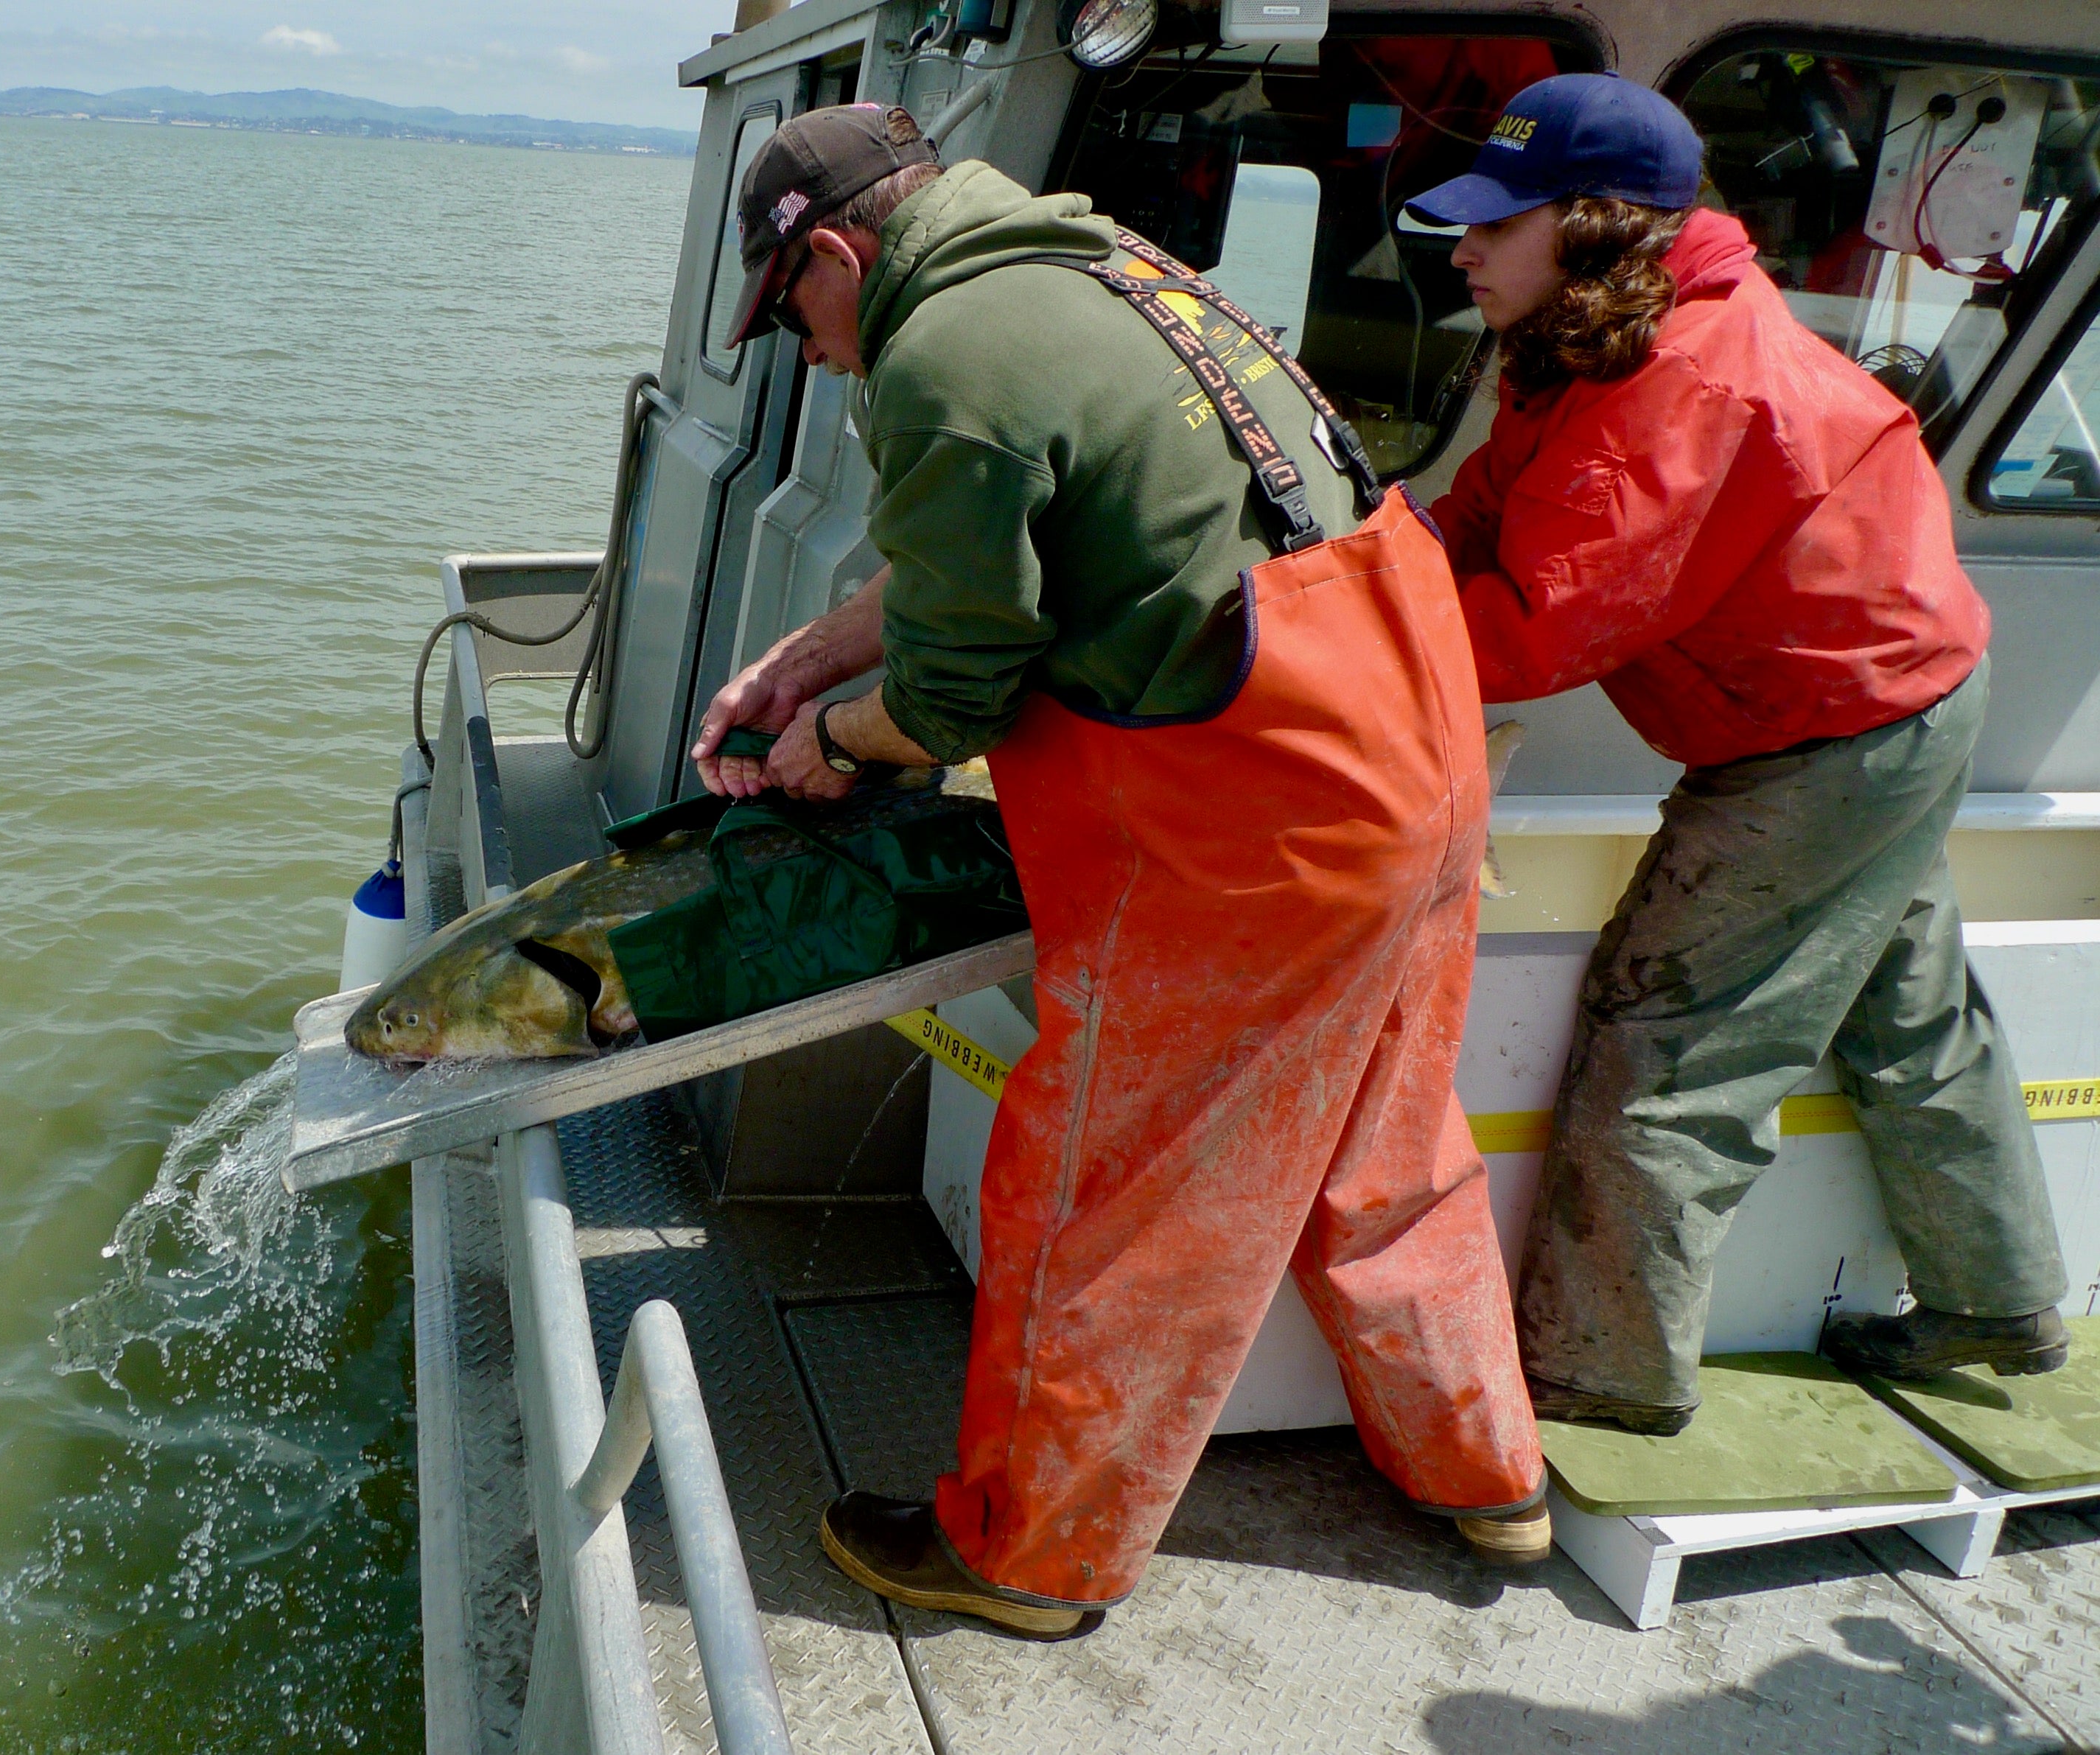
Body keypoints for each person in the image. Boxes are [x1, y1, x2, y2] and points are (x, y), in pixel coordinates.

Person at [691, 102, 1547, 1638]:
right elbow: (1035, 521)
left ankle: (1027, 1558)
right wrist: (813, 657)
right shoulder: (1107, 266)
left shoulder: (939, 352)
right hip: (1413, 760)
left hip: (1258, 828)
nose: (803, 350)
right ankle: (1483, 1477)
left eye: (790, 313)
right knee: (1389, 1152)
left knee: (1108, 1195)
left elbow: (955, 693)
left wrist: (831, 740)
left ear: (836, 251)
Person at [1404, 74, 2071, 1437]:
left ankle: (1602, 1376)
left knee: (1668, 1038)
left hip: (1832, 732)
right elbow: (1482, 511)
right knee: (1904, 1009)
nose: (1457, 249)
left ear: (1593, 229)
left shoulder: (1682, 374)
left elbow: (1531, 634)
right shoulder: (1592, 335)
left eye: (1494, 225)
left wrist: (1301, 652)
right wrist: (1355, 565)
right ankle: (1998, 1300)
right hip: (1897, 695)